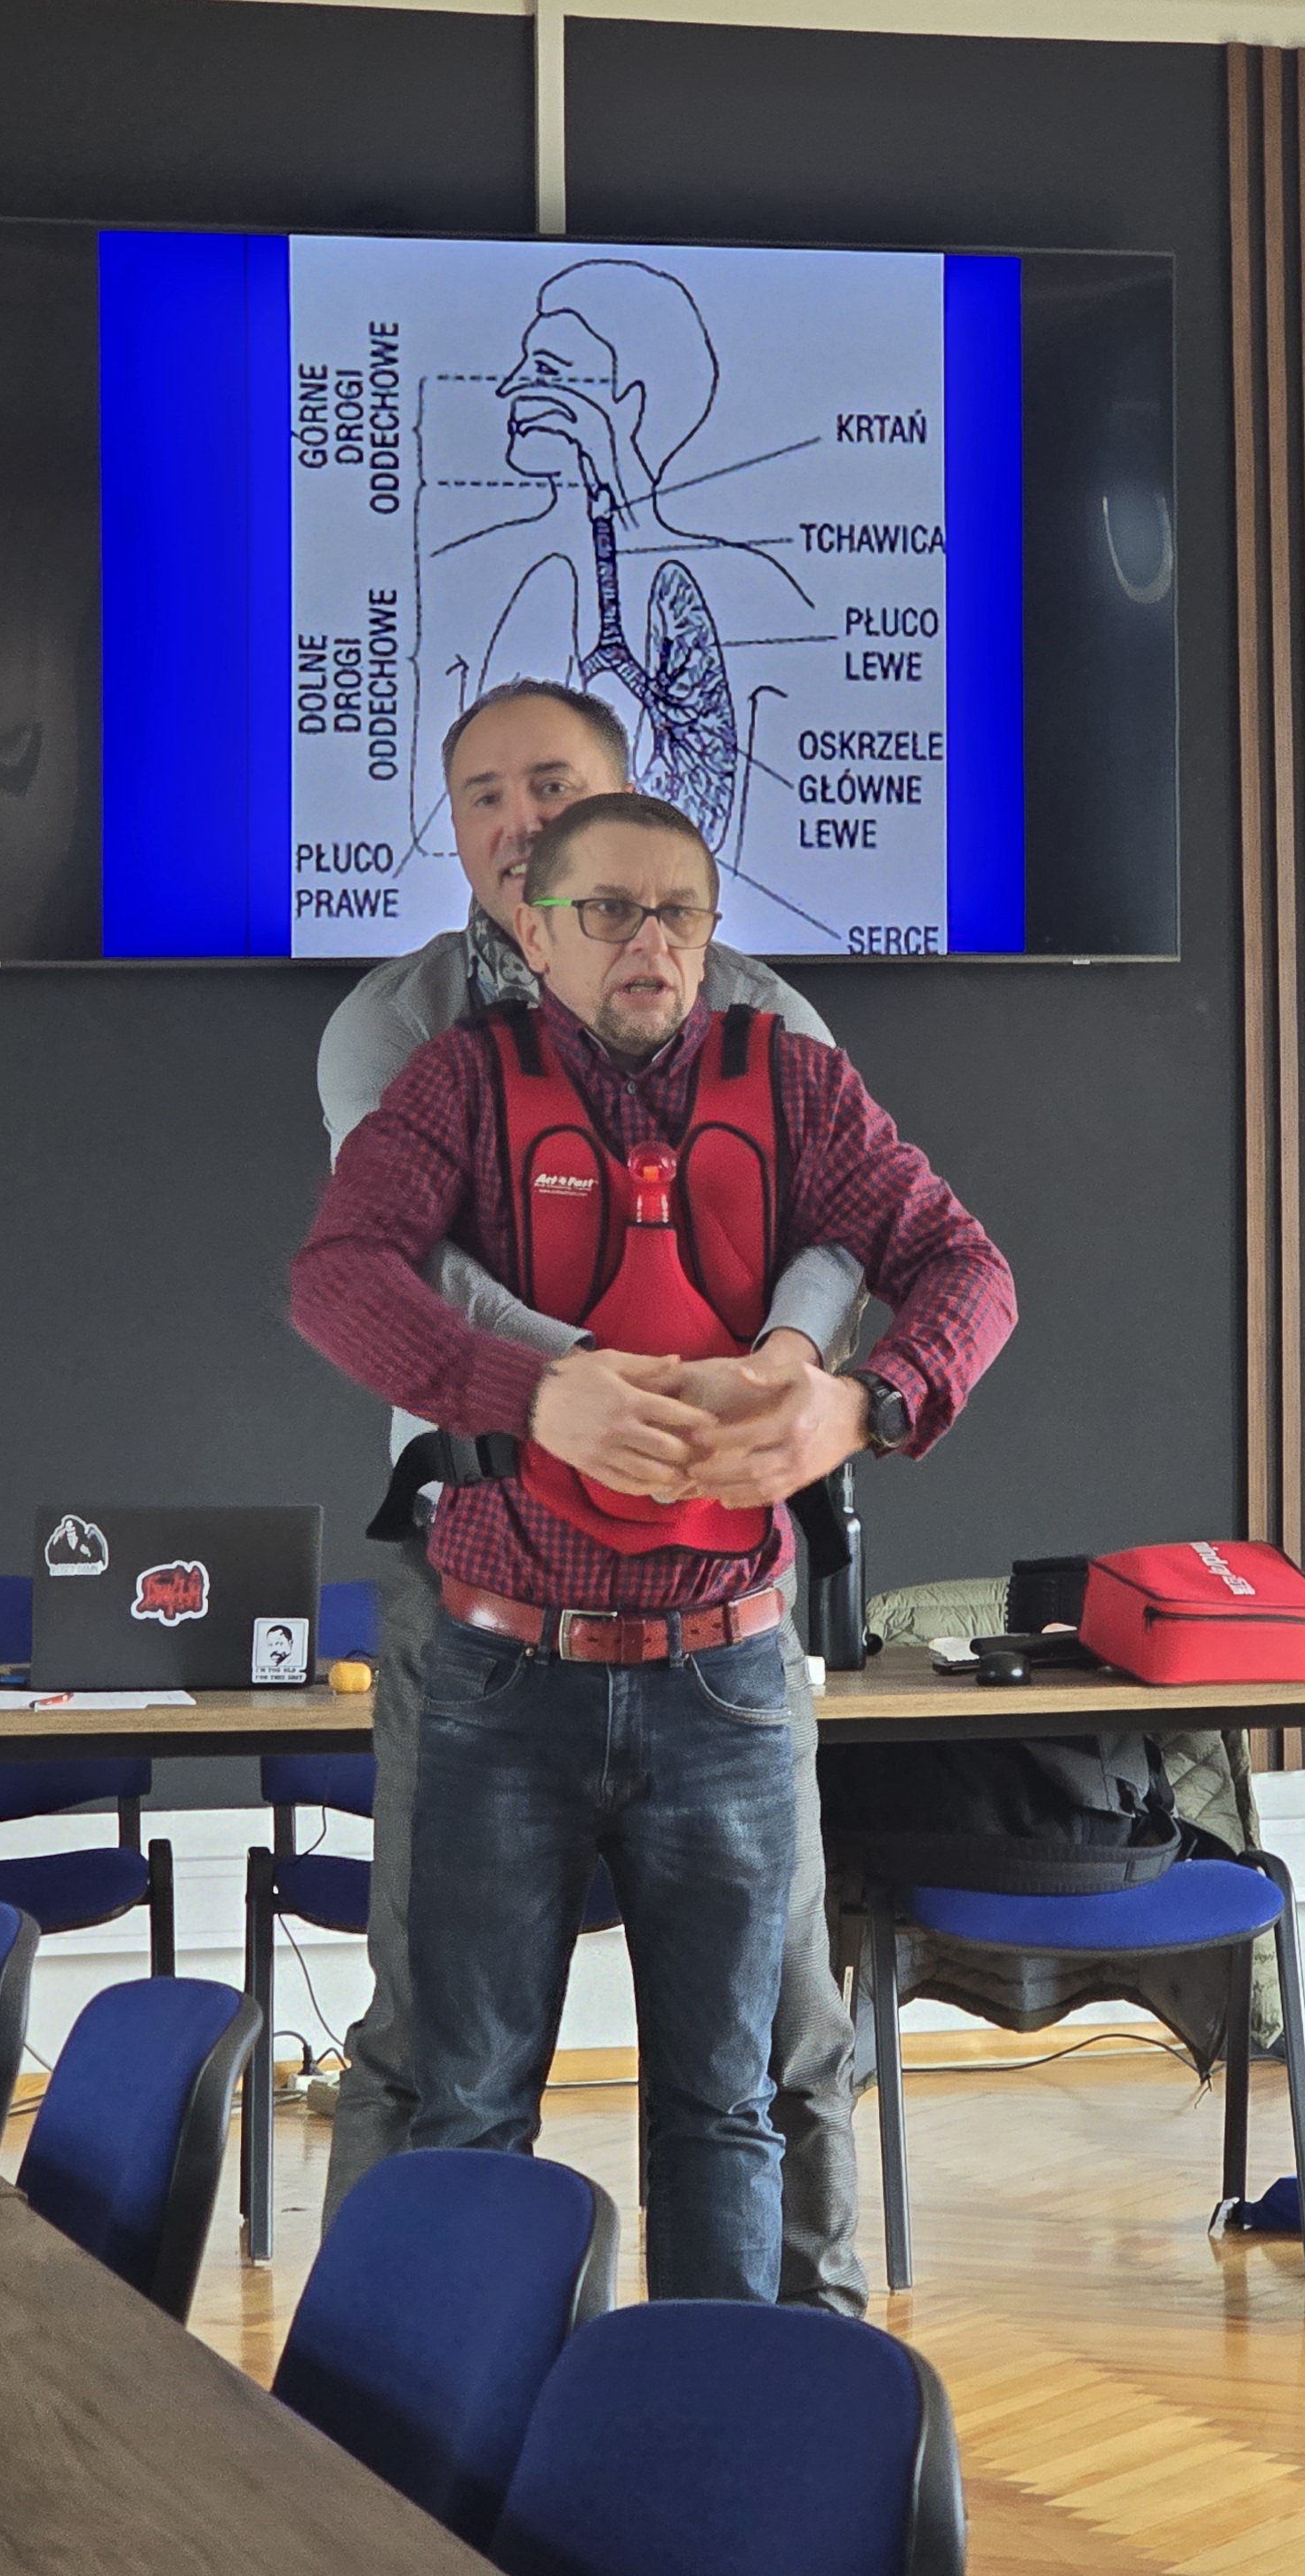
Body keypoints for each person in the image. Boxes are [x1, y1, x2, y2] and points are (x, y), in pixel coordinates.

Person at [292, 785, 1013, 2300]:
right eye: (609, 910)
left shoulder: (796, 1088)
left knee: (728, 2109)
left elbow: (966, 1266)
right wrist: (530, 1393)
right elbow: (338, 1279)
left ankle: (706, 2431)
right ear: (535, 929)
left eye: (680, 913)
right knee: (467, 2106)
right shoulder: (458, 1085)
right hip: (500, 1679)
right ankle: (454, 2430)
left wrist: (860, 1407)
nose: (651, 944)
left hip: (726, 1683)